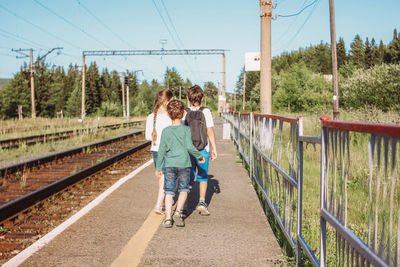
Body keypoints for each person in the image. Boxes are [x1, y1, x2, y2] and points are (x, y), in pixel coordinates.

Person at [155, 100, 205, 228]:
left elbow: (161, 150)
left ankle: (167, 219)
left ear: (168, 114)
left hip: (170, 165)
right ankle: (177, 212)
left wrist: (158, 167)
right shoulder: (186, 130)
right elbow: (190, 147)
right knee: (184, 189)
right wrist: (199, 156)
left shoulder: (166, 131)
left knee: (169, 191)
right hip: (184, 164)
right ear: (183, 114)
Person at [185, 85, 217, 216]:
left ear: (188, 98)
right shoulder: (206, 112)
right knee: (203, 176)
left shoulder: (184, 112)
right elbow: (209, 130)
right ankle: (202, 202)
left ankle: (184, 205)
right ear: (202, 98)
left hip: (188, 150)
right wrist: (214, 148)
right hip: (203, 149)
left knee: (187, 177)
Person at [145, 89, 173, 214]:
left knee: (161, 178)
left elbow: (147, 136)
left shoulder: (151, 116)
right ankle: (158, 205)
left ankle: (161, 203)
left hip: (155, 151)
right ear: (168, 101)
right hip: (168, 151)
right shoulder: (170, 117)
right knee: (166, 179)